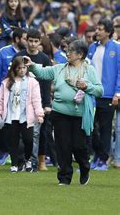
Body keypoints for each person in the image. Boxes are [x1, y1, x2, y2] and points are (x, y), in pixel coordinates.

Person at [25, 40, 103, 185]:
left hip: (80, 115)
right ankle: (64, 177)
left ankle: (84, 167)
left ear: (80, 55)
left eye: (71, 51)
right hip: (60, 113)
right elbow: (43, 73)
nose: (67, 53)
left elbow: (99, 90)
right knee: (62, 146)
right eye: (67, 50)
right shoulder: (60, 68)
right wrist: (32, 66)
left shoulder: (89, 70)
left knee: (79, 146)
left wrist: (87, 86)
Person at [0, 57, 44, 173]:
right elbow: (1, 100)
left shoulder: (32, 82)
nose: (22, 70)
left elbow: (36, 99)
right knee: (13, 141)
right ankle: (14, 164)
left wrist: (39, 114)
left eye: (24, 68)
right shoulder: (6, 82)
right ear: (14, 69)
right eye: (19, 68)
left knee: (28, 140)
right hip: (11, 116)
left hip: (26, 116)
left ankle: (27, 160)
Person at [14, 29, 52, 171]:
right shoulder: (19, 56)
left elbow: (47, 82)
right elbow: (12, 77)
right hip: (19, 101)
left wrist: (47, 104)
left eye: (36, 41)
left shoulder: (44, 59)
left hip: (38, 102)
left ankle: (33, 162)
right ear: (26, 40)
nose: (33, 44)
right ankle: (19, 161)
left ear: (39, 42)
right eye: (31, 40)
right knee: (19, 133)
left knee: (35, 134)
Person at [86, 19, 120, 170]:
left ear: (108, 31)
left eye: (100, 29)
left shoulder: (117, 48)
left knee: (105, 129)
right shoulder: (92, 47)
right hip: (92, 94)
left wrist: (117, 93)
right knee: (91, 128)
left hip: (108, 95)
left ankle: (102, 160)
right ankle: (97, 157)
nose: (97, 32)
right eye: (97, 28)